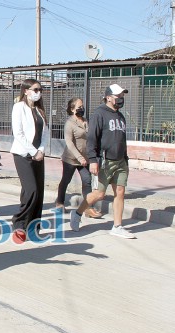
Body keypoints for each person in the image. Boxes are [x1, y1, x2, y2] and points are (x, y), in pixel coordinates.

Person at [70, 84, 135, 239]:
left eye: (122, 96)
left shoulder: (120, 116)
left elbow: (121, 139)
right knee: (99, 194)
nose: (120, 99)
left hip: (120, 161)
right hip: (104, 161)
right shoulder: (99, 114)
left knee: (120, 191)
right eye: (118, 96)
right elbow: (92, 139)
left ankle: (117, 226)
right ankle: (78, 213)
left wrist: (125, 157)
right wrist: (93, 160)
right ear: (108, 97)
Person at [10, 79, 49, 243]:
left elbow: (46, 132)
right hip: (23, 154)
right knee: (31, 189)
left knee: (38, 192)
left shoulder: (40, 110)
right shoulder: (19, 107)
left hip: (38, 155)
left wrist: (41, 150)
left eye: (40, 90)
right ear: (25, 90)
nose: (38, 92)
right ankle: (19, 222)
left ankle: (34, 227)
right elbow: (18, 133)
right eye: (35, 89)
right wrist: (33, 151)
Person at [52, 98, 102, 218]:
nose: (82, 108)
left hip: (85, 158)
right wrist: (79, 157)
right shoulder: (70, 123)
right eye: (79, 107)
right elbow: (69, 143)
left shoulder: (85, 121)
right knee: (66, 180)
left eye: (82, 106)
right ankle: (59, 202)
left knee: (87, 181)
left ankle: (88, 207)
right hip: (71, 159)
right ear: (72, 109)